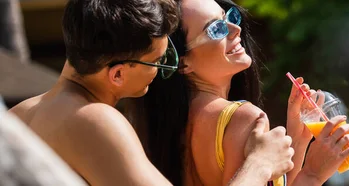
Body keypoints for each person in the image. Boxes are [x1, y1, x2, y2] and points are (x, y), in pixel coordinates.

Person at [8, 0, 295, 185]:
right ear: (118, 74)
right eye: (158, 62)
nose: (160, 72)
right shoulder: (94, 120)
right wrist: (259, 164)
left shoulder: (17, 115)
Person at [127, 0, 349, 185]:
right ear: (184, 62)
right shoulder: (243, 118)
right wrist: (313, 173)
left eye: (229, 16)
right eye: (216, 29)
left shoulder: (173, 122)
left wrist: (298, 139)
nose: (235, 29)